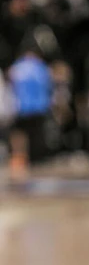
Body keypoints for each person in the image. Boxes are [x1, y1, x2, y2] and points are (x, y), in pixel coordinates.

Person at [8, 47, 52, 180]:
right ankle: (36, 160)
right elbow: (49, 86)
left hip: (20, 106)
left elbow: (10, 83)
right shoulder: (41, 67)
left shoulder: (17, 67)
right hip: (39, 107)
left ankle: (20, 158)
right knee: (36, 133)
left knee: (19, 133)